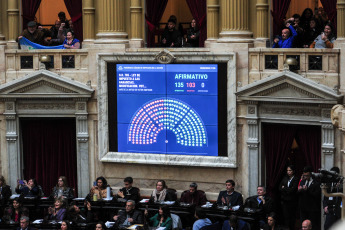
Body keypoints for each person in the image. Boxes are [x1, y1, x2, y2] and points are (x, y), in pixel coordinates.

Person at [298, 166, 321, 230]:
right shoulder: (302, 181)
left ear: (311, 174)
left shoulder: (316, 182)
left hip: (312, 209)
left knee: (313, 225)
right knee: (304, 225)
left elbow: (316, 195)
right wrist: (299, 190)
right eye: (304, 175)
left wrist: (307, 190)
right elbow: (299, 194)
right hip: (303, 208)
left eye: (307, 175)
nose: (305, 177)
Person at [279, 165, 299, 230]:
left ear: (293, 171)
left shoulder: (296, 179)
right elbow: (280, 188)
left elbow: (293, 190)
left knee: (292, 217)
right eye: (287, 170)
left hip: (292, 201)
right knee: (286, 217)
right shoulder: (285, 178)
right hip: (284, 201)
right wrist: (287, 189)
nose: (288, 172)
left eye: (290, 170)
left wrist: (284, 188)